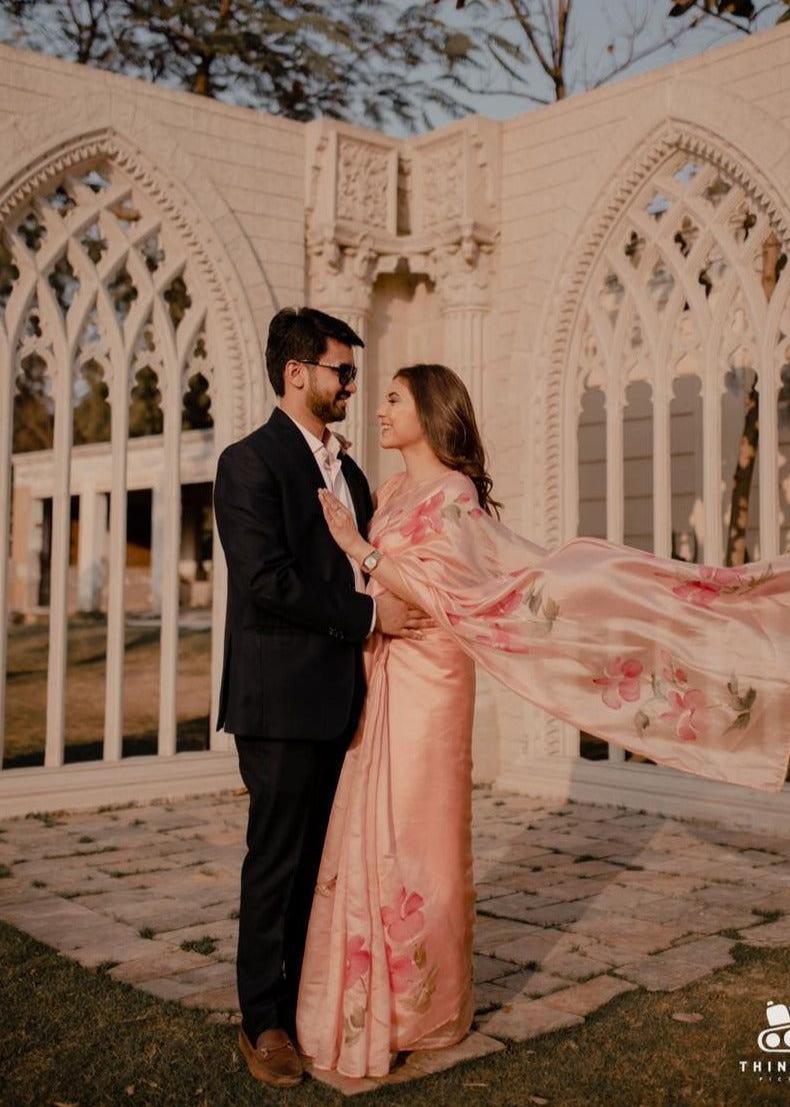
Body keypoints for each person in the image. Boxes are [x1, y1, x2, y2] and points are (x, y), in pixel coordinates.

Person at [295, 362, 790, 1079]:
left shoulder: (453, 494)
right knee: (370, 830)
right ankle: (365, 992)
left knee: (418, 839)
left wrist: (361, 548)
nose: (379, 409)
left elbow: (442, 595)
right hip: (384, 671)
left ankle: (421, 1008)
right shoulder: (390, 491)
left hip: (433, 678)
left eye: (393, 399)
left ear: (430, 412)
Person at [213, 308, 430, 1088]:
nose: (351, 385)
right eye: (342, 370)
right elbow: (267, 581)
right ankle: (262, 1020)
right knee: (275, 863)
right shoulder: (248, 463)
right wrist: (371, 615)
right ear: (297, 372)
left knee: (324, 868)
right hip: (276, 702)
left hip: (345, 699)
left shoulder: (356, 472)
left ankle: (310, 1005)